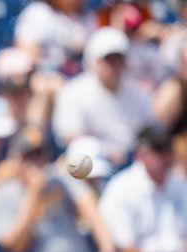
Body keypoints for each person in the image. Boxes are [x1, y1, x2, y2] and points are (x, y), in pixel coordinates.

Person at [0, 126, 114, 252]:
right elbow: (14, 246)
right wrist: (34, 193)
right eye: (28, 156)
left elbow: (90, 208)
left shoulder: (59, 179)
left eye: (39, 154)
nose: (35, 162)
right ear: (15, 159)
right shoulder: (2, 194)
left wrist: (107, 251)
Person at [99, 127, 187, 252]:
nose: (164, 156)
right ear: (140, 154)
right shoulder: (120, 190)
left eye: (168, 150)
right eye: (158, 150)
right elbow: (124, 249)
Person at [53, 27, 156, 169]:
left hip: (133, 163)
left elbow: (150, 132)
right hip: (90, 164)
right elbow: (70, 137)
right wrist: (104, 151)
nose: (113, 66)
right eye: (108, 60)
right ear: (93, 62)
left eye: (118, 59)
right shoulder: (74, 92)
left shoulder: (138, 93)